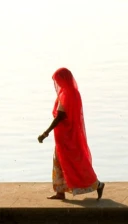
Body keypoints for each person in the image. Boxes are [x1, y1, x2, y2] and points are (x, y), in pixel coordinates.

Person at [38, 67, 105, 201]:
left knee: (74, 163)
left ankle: (97, 184)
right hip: (67, 136)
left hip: (67, 136)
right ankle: (60, 192)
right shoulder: (73, 93)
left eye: (58, 80)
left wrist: (46, 132)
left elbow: (60, 116)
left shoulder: (67, 94)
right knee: (61, 162)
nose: (57, 84)